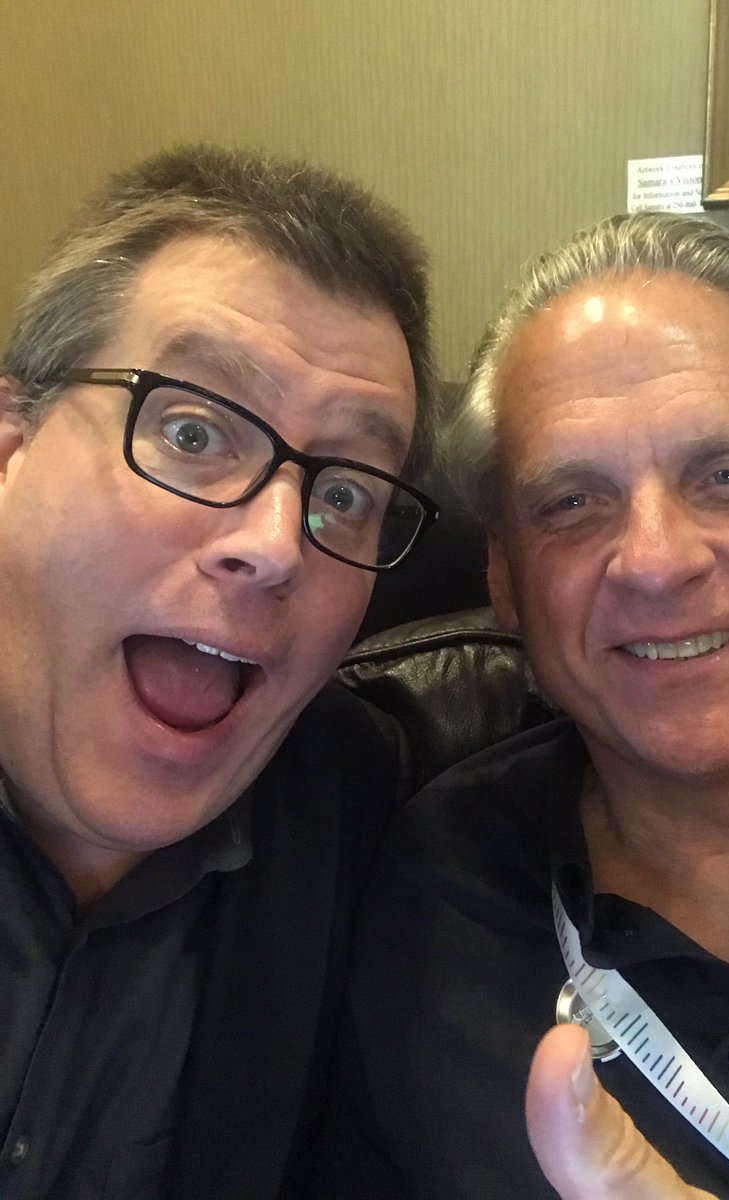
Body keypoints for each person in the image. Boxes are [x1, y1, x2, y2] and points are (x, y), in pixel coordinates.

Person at [324, 212, 729, 1199]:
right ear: (504, 578)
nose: (657, 561)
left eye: (726, 476)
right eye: (572, 504)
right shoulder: (423, 895)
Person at [0, 143, 440, 1199]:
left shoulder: (369, 813)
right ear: (11, 447)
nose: (277, 544)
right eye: (193, 431)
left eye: (345, 493)